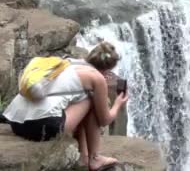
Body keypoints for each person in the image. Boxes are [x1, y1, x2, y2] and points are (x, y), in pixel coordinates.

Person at [2, 42, 128, 171]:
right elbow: (104, 120)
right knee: (91, 99)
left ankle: (84, 156)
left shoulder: (66, 63)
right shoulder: (96, 78)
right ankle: (95, 159)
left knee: (82, 97)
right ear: (107, 70)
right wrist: (118, 104)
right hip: (41, 127)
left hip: (16, 123)